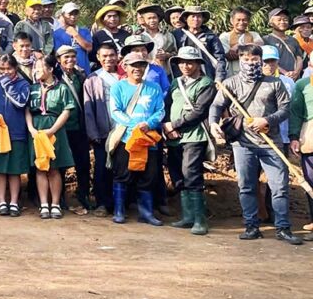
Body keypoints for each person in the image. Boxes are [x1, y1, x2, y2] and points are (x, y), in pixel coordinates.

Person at [210, 43, 300, 244]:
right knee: (246, 186)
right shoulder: (230, 83)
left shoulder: (275, 83)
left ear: (261, 61)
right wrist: (214, 123)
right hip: (243, 144)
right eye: (246, 59)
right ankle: (251, 226)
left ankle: (283, 228)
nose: (250, 63)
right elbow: (216, 105)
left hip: (271, 144)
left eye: (254, 60)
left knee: (279, 187)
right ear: (239, 60)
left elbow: (285, 110)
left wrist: (266, 120)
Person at [108, 51, 167, 226]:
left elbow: (160, 110)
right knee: (122, 175)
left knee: (148, 176)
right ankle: (119, 211)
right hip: (127, 139)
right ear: (125, 67)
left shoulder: (154, 88)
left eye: (141, 65)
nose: (137, 69)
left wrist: (149, 123)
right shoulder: (118, 87)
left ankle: (146, 213)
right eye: (133, 65)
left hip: (148, 140)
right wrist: (134, 125)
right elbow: (115, 111)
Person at [163, 46, 215, 236]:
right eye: (182, 62)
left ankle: (200, 220)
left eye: (190, 62)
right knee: (177, 173)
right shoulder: (176, 82)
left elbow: (200, 111)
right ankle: (188, 217)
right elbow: (167, 105)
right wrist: (166, 126)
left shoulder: (206, 83)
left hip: (194, 135)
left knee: (191, 173)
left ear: (198, 64)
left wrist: (175, 125)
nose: (185, 66)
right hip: (174, 137)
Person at [26, 54, 75, 219]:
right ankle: (43, 204)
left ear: (51, 69)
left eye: (40, 68)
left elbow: (66, 111)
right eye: (35, 68)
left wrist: (53, 129)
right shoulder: (32, 88)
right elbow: (27, 110)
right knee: (41, 167)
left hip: (55, 129)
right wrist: (31, 128)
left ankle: (55, 204)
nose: (36, 71)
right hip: (37, 130)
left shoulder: (62, 88)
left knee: (54, 168)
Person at [0, 54, 31, 217]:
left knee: (15, 170)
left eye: (9, 69)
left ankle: (14, 202)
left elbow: (21, 103)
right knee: (0, 170)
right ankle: (2, 202)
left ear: (16, 68)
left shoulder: (24, 84)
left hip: (17, 133)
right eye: (3, 69)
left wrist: (8, 85)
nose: (6, 72)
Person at [82, 41, 120, 215]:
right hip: (103, 132)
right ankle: (102, 203)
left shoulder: (125, 76)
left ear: (117, 56)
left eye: (111, 55)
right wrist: (93, 133)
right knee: (102, 168)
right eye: (104, 56)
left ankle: (121, 204)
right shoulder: (93, 79)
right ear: (98, 57)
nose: (108, 59)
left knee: (122, 168)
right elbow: (88, 109)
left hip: (123, 131)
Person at [56, 45, 91, 213]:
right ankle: (60, 197)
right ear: (59, 60)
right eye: (66, 57)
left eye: (72, 56)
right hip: (61, 127)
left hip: (79, 125)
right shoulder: (55, 76)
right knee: (61, 163)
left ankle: (83, 195)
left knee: (83, 163)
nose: (70, 60)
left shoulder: (80, 75)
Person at [288, 62, 313, 235]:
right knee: (311, 180)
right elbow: (295, 113)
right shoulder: (302, 85)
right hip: (310, 134)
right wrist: (294, 137)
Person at [173, 6, 227, 81]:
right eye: (193, 16)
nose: (196, 19)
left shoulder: (210, 36)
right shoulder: (178, 35)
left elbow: (220, 58)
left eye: (199, 17)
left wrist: (219, 78)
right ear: (186, 18)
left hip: (206, 76)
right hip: (184, 77)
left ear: (203, 19)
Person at [220, 7, 263, 76]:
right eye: (238, 20)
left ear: (248, 21)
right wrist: (250, 49)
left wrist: (238, 46)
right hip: (231, 75)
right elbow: (228, 55)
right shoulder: (225, 36)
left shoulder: (254, 35)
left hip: (253, 73)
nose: (241, 22)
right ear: (231, 20)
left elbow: (260, 48)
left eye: (244, 20)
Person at [264, 7, 305, 81]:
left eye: (285, 19)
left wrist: (296, 72)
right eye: (279, 20)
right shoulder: (266, 40)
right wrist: (285, 73)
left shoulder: (293, 40)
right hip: (276, 79)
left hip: (295, 79)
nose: (282, 22)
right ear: (271, 23)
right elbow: (267, 61)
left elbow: (299, 58)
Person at [52, 2, 93, 72]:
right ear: (63, 15)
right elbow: (59, 54)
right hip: (66, 71)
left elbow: (89, 48)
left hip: (84, 70)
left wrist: (76, 34)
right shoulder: (57, 33)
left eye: (75, 14)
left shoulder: (84, 31)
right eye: (70, 14)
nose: (73, 17)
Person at [136, 4, 176, 73]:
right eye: (149, 18)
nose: (152, 20)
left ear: (158, 19)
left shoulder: (168, 35)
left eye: (154, 18)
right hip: (146, 73)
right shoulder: (139, 37)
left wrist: (167, 55)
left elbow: (176, 53)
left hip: (165, 72)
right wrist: (149, 61)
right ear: (144, 20)